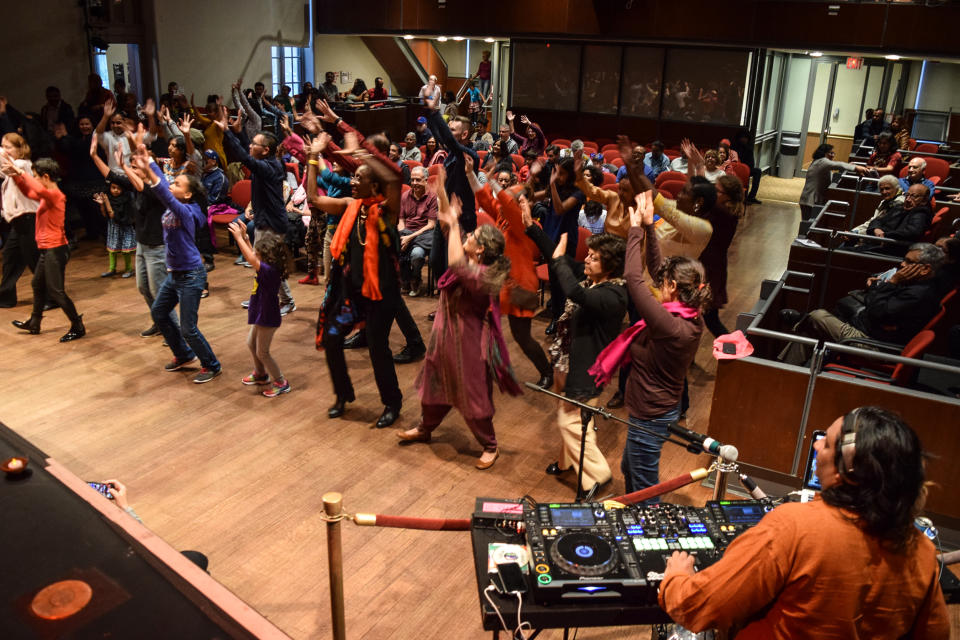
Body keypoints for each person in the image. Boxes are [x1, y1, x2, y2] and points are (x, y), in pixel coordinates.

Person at [660, 407, 949, 639]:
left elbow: (697, 607)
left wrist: (676, 577)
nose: (818, 443)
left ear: (843, 474)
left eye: (829, 442)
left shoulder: (792, 528)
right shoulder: (922, 551)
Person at [397, 178, 520, 470]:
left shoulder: (482, 276)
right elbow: (446, 225)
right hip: (444, 334)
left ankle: (490, 445)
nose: (467, 236)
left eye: (472, 236)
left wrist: (453, 224)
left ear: (480, 251)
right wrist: (440, 192)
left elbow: (454, 262)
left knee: (473, 395)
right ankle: (426, 428)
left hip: (467, 342)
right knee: (434, 384)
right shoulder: (470, 257)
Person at [306, 132, 404, 427]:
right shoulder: (350, 206)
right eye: (354, 178)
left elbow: (395, 181)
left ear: (374, 185)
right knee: (333, 339)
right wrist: (312, 157)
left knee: (377, 347)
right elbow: (312, 197)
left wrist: (361, 154)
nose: (353, 181)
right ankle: (343, 394)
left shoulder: (387, 212)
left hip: (382, 297)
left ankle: (392, 402)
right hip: (352, 294)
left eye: (359, 178)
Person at [526, 217, 627, 499]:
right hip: (567, 363)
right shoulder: (593, 280)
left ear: (610, 265)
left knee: (571, 422)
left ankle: (598, 476)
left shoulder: (614, 295)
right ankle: (568, 462)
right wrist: (533, 228)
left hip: (586, 370)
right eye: (589, 255)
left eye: (594, 258)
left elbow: (573, 291)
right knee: (569, 415)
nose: (587, 260)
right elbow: (559, 258)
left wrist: (558, 261)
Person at [619, 190, 708, 498]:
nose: (660, 283)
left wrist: (633, 230)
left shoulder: (668, 324)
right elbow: (657, 273)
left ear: (673, 286)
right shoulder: (688, 312)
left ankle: (646, 536)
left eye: (665, 282)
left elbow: (634, 277)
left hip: (651, 413)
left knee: (645, 489)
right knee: (630, 470)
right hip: (656, 408)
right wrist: (647, 228)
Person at [130, 145, 221, 383]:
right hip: (175, 275)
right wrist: (147, 159)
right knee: (159, 312)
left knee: (188, 328)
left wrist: (149, 167)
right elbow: (162, 183)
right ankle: (183, 354)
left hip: (191, 275)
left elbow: (164, 193)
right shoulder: (176, 207)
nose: (172, 185)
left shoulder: (187, 212)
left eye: (178, 185)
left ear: (188, 194)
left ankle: (211, 364)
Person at [466, 155, 553, 389]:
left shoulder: (522, 223)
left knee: (522, 337)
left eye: (511, 196)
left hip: (519, 284)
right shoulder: (505, 218)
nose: (503, 197)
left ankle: (547, 372)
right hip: (500, 282)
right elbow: (486, 199)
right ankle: (488, 367)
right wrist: (470, 174)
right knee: (489, 326)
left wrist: (493, 179)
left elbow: (502, 200)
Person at [779, 243, 944, 365]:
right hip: (868, 331)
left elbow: (878, 312)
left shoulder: (919, 294)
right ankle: (784, 370)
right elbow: (876, 303)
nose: (902, 265)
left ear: (924, 269)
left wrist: (892, 282)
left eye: (909, 262)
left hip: (876, 346)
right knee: (811, 329)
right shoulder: (914, 284)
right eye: (904, 260)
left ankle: (801, 320)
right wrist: (878, 291)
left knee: (818, 316)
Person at [217, 109, 296, 315]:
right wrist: (239, 132)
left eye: (255, 144)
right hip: (265, 220)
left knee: (269, 266)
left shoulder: (270, 167)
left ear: (266, 150)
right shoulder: (266, 161)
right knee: (262, 264)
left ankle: (287, 301)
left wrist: (227, 132)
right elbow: (247, 150)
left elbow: (245, 157)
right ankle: (261, 296)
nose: (251, 145)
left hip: (272, 224)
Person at [3, 156, 86, 342]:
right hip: (48, 249)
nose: (35, 179)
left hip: (56, 250)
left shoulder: (55, 195)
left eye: (36, 176)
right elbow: (29, 192)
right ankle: (34, 322)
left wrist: (21, 172)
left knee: (56, 291)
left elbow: (37, 189)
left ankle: (77, 325)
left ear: (46, 176)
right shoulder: (46, 195)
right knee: (36, 284)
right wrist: (17, 177)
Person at [229, 220, 291, 398]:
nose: (255, 253)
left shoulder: (270, 271)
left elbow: (250, 258)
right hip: (260, 312)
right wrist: (247, 238)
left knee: (262, 352)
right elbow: (253, 256)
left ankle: (281, 382)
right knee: (251, 343)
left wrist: (238, 238)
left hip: (267, 316)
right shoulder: (267, 266)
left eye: (259, 251)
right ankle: (261, 374)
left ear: (267, 257)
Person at [0, 133, 39, 308]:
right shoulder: (13, 165)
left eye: (8, 147)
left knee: (34, 260)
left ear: (19, 149)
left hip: (29, 218)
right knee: (10, 256)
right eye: (3, 146)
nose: (4, 151)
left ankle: (51, 296)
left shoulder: (21, 164)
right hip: (19, 220)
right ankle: (6, 298)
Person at [799, 143, 868, 220]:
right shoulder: (822, 161)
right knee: (807, 225)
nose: (833, 155)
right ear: (823, 153)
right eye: (830, 153)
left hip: (811, 199)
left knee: (807, 224)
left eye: (833, 153)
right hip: (810, 200)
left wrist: (849, 166)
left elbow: (836, 167)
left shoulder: (820, 163)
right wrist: (856, 167)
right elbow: (839, 164)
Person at [398, 166, 436, 297]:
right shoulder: (405, 196)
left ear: (426, 181)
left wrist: (410, 238)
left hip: (423, 236)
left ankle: (415, 278)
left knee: (417, 255)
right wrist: (403, 234)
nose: (414, 183)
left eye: (418, 180)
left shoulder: (432, 198)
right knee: (394, 247)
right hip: (407, 232)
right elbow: (401, 220)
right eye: (412, 180)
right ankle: (405, 279)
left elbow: (431, 225)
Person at [92, 171, 136, 279]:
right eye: (113, 187)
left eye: (118, 188)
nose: (115, 190)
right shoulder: (110, 198)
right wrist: (102, 205)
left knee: (126, 250)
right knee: (112, 249)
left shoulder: (126, 199)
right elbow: (105, 215)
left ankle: (129, 269)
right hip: (114, 227)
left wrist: (107, 203)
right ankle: (112, 268)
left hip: (124, 226)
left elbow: (113, 215)